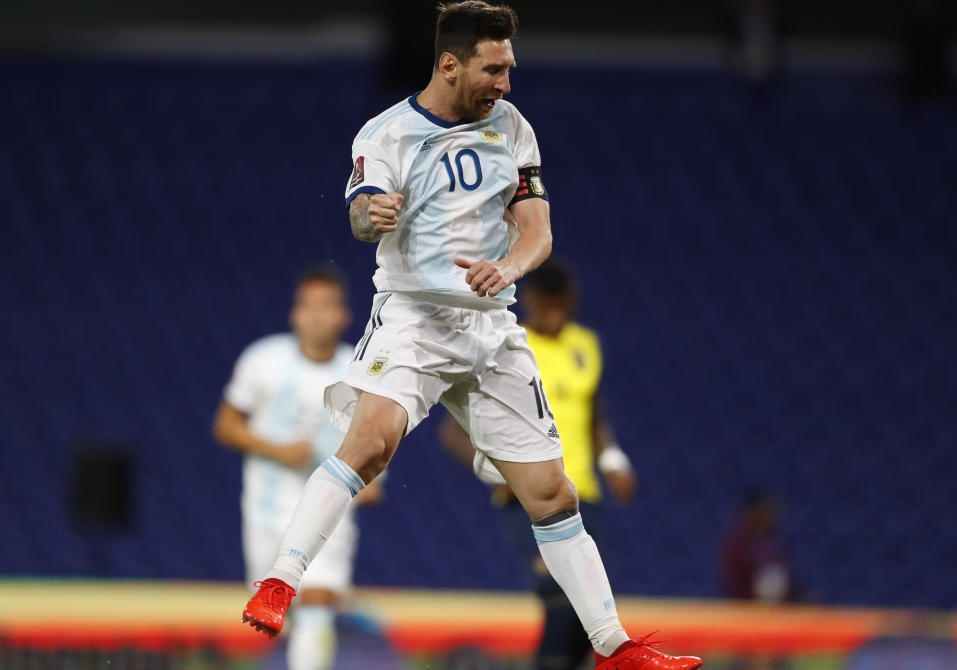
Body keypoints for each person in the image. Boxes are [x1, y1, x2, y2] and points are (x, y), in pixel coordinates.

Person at [241, 3, 701, 669]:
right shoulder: (389, 134)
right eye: (494, 69)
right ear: (450, 64)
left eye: (509, 68)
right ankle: (280, 579)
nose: (505, 83)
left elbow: (537, 230)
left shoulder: (512, 128)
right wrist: (373, 213)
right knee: (371, 445)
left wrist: (508, 267)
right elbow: (361, 218)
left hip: (490, 325)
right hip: (414, 318)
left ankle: (614, 646)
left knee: (553, 492)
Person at [439, 258, 638, 670]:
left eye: (562, 306)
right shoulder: (509, 346)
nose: (555, 315)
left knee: (589, 612)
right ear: (529, 301)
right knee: (560, 599)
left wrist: (613, 457)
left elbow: (594, 411)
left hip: (584, 494)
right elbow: (454, 432)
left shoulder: (585, 344)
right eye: (547, 307)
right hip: (529, 499)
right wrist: (498, 472)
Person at [214, 265, 383, 670]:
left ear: (345, 315)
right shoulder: (262, 360)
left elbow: (377, 440)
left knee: (316, 602)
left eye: (327, 306)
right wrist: (277, 450)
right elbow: (226, 424)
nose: (317, 315)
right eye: (308, 306)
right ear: (294, 313)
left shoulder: (363, 371)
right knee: (281, 612)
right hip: (266, 511)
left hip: (331, 510)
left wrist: (372, 481)